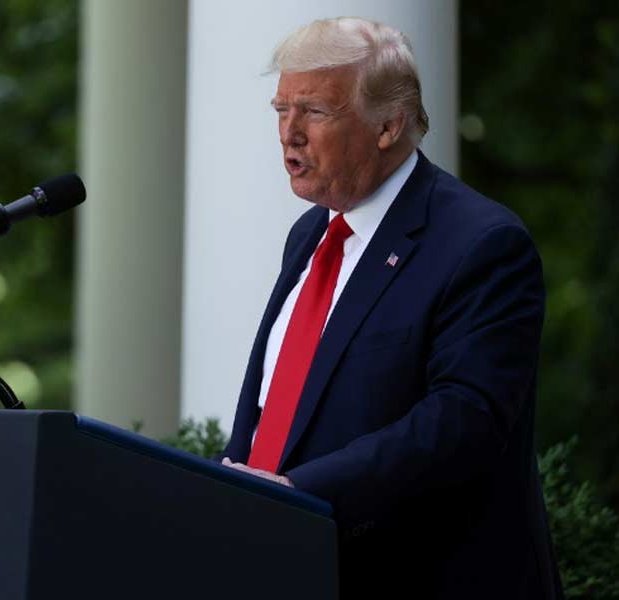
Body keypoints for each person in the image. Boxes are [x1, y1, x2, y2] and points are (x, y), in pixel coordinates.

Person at [219, 17, 563, 599]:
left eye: (314, 111)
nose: (289, 134)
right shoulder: (309, 235)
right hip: (290, 567)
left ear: (388, 126)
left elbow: (463, 420)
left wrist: (296, 493)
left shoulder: (482, 243)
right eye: (281, 110)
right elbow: (278, 410)